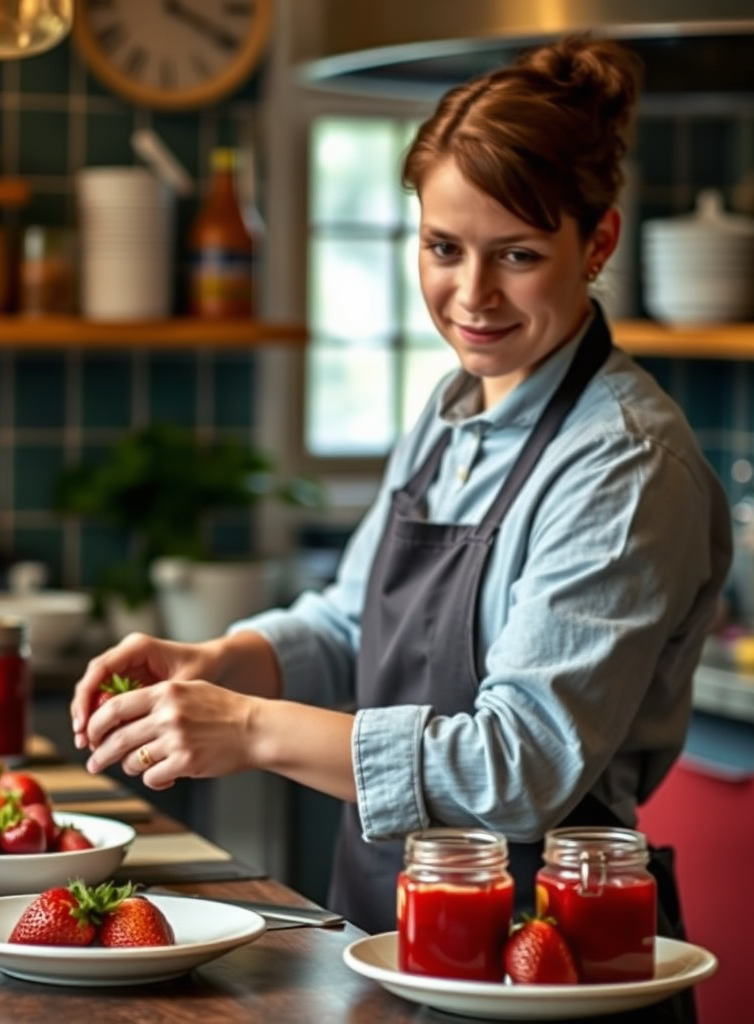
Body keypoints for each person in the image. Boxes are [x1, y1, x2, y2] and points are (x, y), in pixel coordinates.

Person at [70, 34, 732, 944]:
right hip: (389, 924)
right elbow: (353, 625)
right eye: (443, 247)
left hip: (554, 950)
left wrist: (250, 728)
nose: (472, 295)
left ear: (598, 243)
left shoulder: (623, 461)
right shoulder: (452, 410)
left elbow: (520, 767)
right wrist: (220, 661)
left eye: (518, 255)